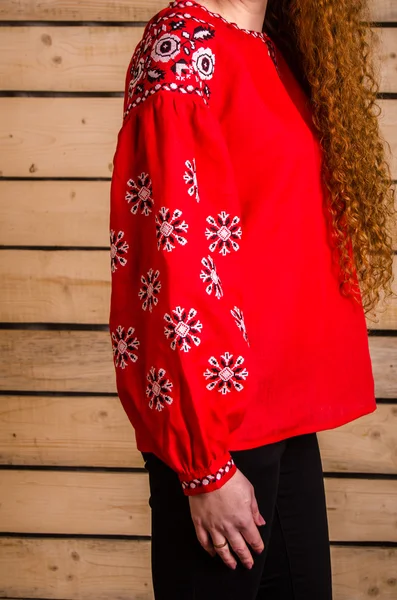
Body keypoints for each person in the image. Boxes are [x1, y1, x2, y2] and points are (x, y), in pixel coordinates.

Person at [108, 0, 395, 598]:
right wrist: (205, 465)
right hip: (225, 431)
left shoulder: (269, 47)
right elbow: (174, 258)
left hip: (286, 418)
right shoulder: (185, 47)